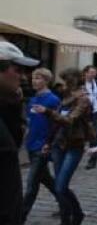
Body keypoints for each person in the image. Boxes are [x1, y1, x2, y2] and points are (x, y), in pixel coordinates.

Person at [33, 68, 92, 225]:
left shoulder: (83, 99)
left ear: (73, 81)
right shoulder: (65, 97)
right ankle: (66, 219)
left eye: (66, 81)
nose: (63, 84)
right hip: (59, 145)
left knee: (60, 187)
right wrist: (48, 142)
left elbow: (69, 120)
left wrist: (47, 111)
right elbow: (57, 125)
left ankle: (77, 213)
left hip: (74, 145)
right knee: (61, 188)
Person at [0, 41, 39, 224]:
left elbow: (14, 144)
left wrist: (14, 104)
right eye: (18, 70)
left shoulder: (8, 103)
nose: (24, 77)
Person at [23, 67, 60, 221]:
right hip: (31, 144)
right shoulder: (32, 99)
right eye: (33, 78)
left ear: (46, 80)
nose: (34, 81)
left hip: (42, 147)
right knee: (47, 180)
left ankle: (20, 217)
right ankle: (69, 204)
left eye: (38, 78)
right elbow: (29, 120)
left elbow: (56, 124)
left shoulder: (53, 100)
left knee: (31, 185)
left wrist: (48, 143)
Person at [84, 65, 97, 170]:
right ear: (85, 73)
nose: (93, 74)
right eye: (91, 72)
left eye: (94, 72)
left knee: (94, 137)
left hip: (95, 112)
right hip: (84, 113)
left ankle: (93, 160)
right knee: (81, 136)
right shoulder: (81, 84)